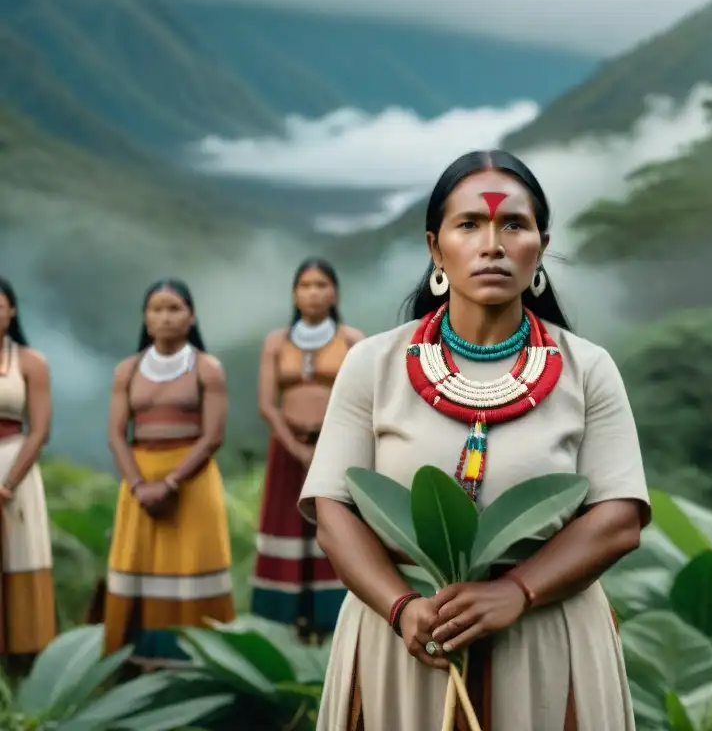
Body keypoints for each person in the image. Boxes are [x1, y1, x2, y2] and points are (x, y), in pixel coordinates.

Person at [298, 149, 650, 730]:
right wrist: (401, 605)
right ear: (436, 248)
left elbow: (618, 517)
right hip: (404, 639)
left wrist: (519, 592)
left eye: (513, 224)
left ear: (540, 244)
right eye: (470, 225)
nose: (493, 244)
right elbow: (334, 511)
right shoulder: (372, 365)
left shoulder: (587, 369)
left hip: (545, 642)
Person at [104, 278, 234, 666]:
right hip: (139, 483)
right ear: (145, 320)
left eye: (174, 309)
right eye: (157, 309)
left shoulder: (207, 368)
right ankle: (133, 664)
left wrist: (172, 483)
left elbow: (212, 436)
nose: (165, 317)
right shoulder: (127, 370)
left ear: (191, 317)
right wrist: (139, 485)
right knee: (136, 565)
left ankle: (201, 664)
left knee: (193, 566)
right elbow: (116, 434)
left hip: (191, 484)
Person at [251, 258, 365, 640]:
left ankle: (333, 617)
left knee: (333, 522)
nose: (313, 292)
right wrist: (295, 448)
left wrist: (329, 446)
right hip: (287, 446)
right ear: (294, 294)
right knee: (289, 528)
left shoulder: (352, 340)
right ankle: (289, 621)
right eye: (305, 285)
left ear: (334, 292)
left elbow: (363, 399)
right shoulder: (277, 341)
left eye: (321, 285)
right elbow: (268, 404)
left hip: (336, 446)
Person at [0, 277, 56, 670]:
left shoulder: (30, 362)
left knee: (17, 555)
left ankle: (22, 660)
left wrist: (8, 483)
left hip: (14, 463)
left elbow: (39, 430)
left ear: (12, 310)